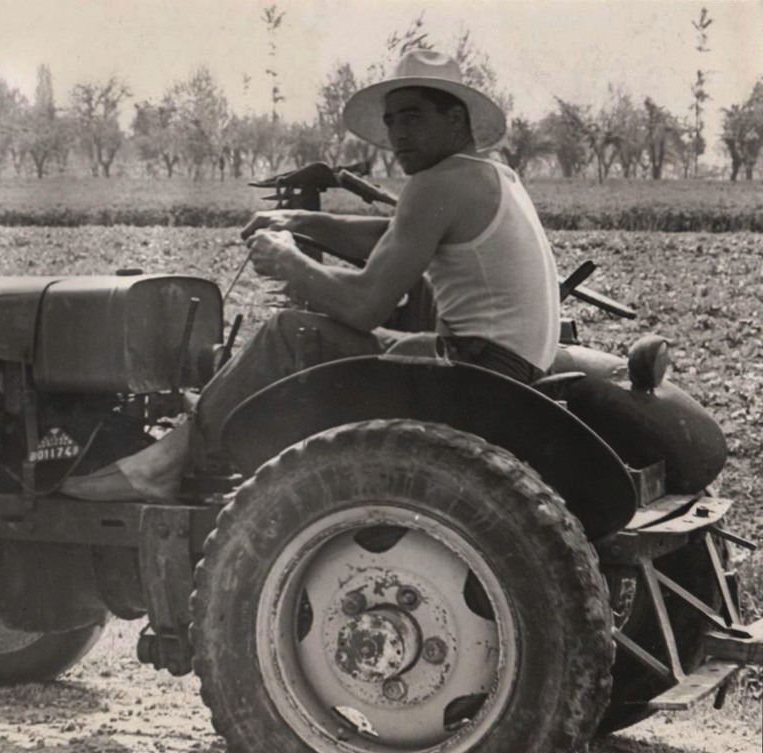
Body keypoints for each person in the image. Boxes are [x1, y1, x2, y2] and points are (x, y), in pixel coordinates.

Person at [61, 49, 561, 502]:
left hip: (472, 379)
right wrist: (298, 222)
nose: (397, 134)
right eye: (391, 121)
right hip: (504, 374)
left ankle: (173, 463)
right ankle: (210, 440)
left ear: (456, 118)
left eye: (413, 116)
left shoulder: (438, 183)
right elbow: (395, 236)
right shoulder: (490, 175)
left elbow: (366, 306)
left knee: (289, 333)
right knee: (374, 342)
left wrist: (287, 260)